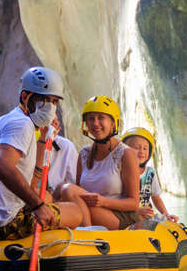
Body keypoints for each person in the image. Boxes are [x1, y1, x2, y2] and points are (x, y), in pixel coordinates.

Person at [0, 66, 86, 240]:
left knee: (46, 197)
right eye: (44, 100)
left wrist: (44, 138)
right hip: (0, 224)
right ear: (26, 97)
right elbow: (3, 166)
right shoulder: (21, 124)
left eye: (54, 102)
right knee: (75, 211)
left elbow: (32, 182)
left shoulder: (10, 120)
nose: (50, 108)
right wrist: (38, 206)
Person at [58, 95, 140, 230]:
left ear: (113, 122)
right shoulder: (84, 154)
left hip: (120, 216)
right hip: (91, 211)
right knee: (63, 192)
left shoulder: (126, 154)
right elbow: (77, 194)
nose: (95, 123)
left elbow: (134, 203)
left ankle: (87, 234)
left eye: (101, 117)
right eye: (91, 119)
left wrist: (103, 201)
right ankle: (87, 230)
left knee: (68, 189)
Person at [120, 127, 179, 222]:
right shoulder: (119, 171)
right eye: (136, 148)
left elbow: (156, 198)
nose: (141, 151)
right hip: (126, 214)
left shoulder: (150, 173)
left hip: (146, 215)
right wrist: (136, 210)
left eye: (145, 148)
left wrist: (166, 214)